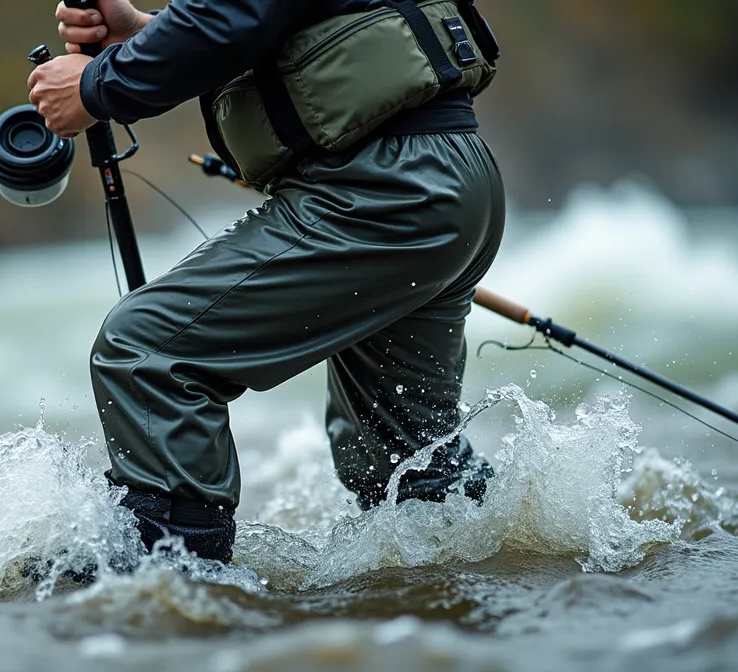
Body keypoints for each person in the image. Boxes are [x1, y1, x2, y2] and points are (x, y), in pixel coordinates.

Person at [28, 0, 505, 564]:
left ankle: (170, 582)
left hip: (382, 188)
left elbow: (229, 17)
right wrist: (143, 32)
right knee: (408, 464)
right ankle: (492, 578)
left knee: (146, 353)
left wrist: (93, 87)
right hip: (447, 175)